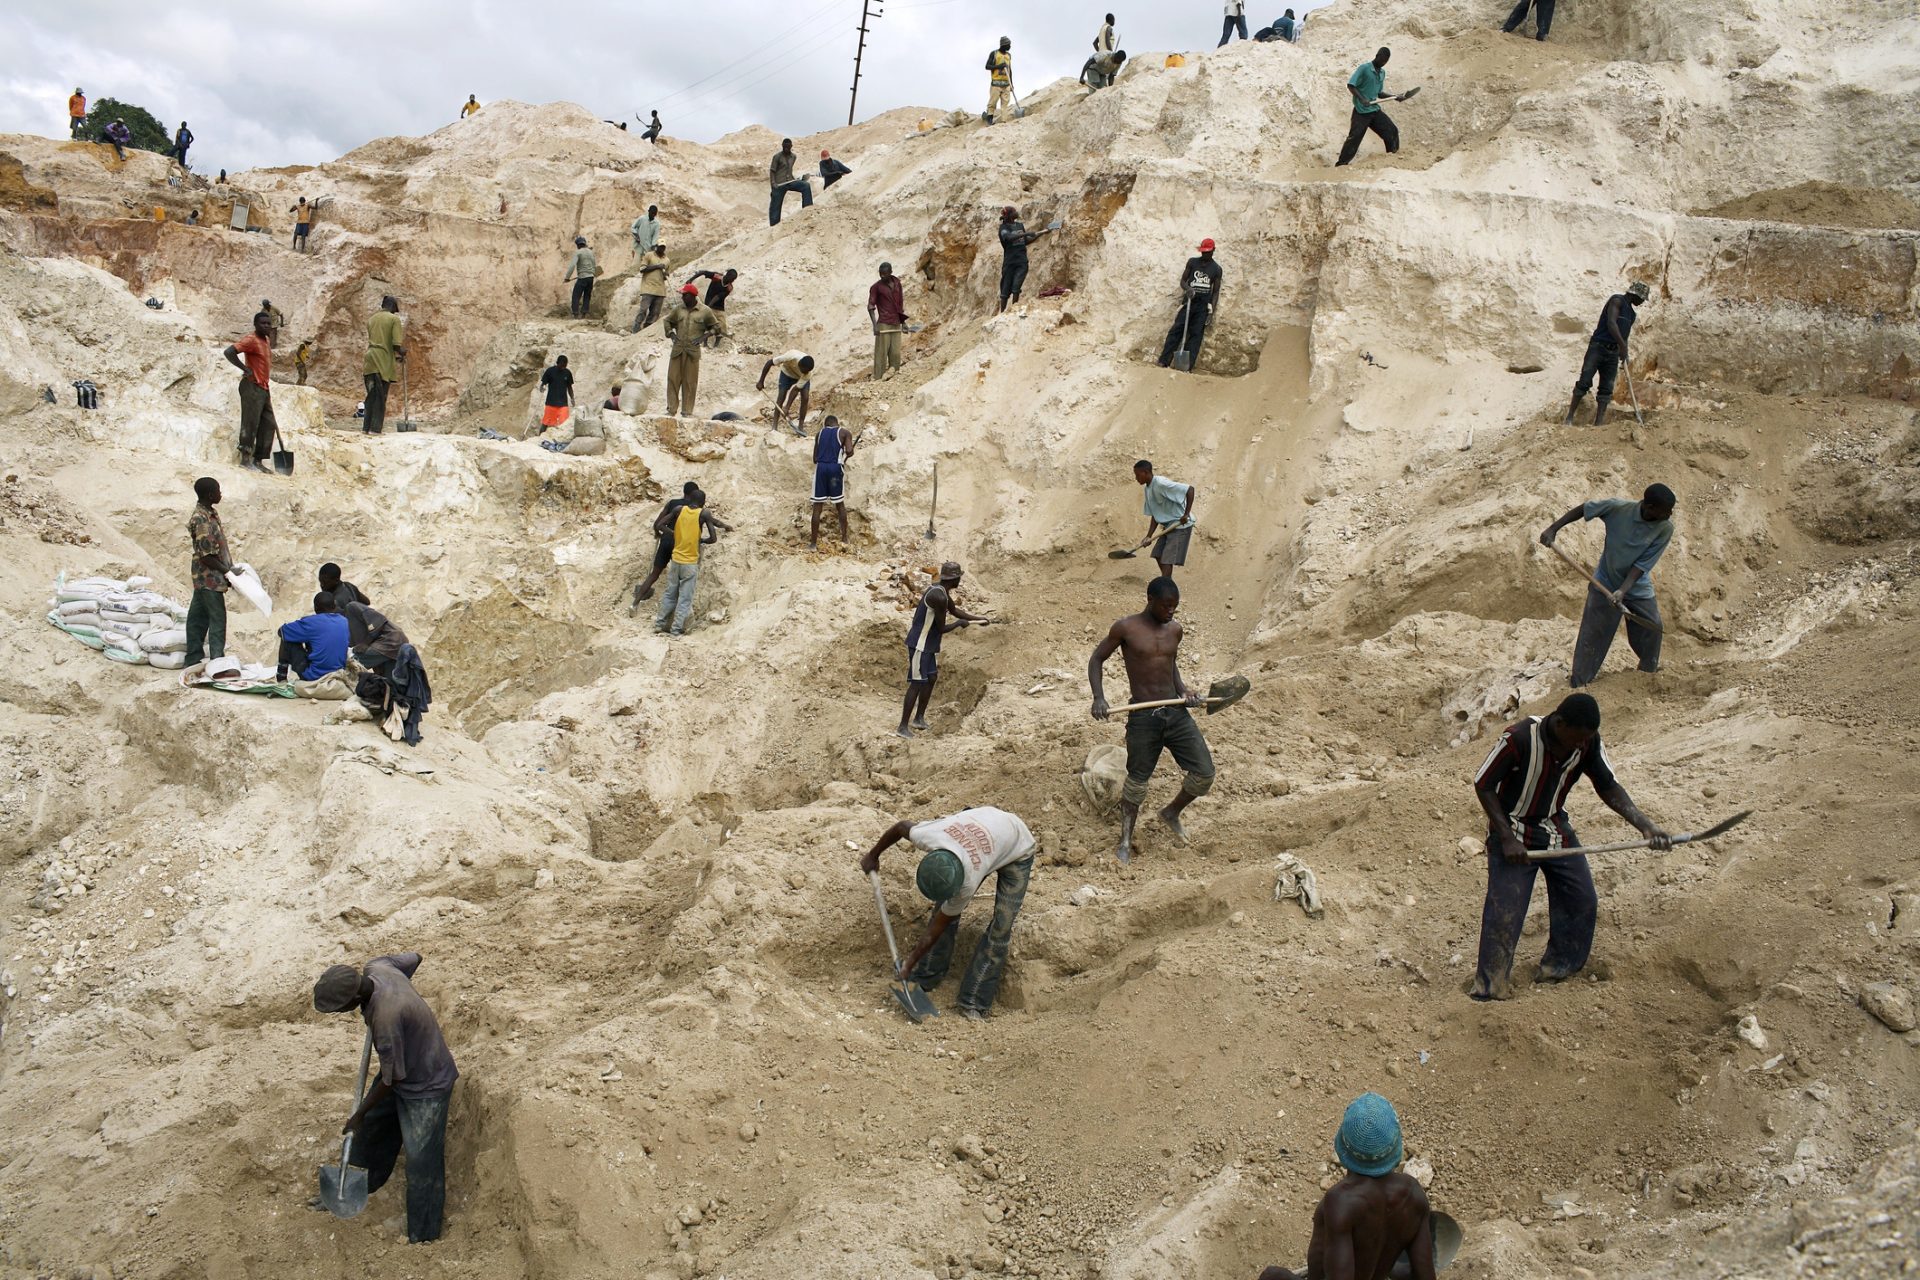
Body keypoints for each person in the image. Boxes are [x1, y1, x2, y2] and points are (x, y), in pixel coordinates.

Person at [1471, 693, 1670, 1000]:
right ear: (1560, 723)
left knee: (1581, 899)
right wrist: (1507, 838)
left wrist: (1644, 825)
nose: (1581, 745)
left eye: (1586, 739)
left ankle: (1559, 968)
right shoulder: (1519, 738)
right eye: (1577, 738)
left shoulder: (1586, 742)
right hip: (1512, 830)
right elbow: (1483, 783)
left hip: (1553, 827)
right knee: (1504, 913)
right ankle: (1489, 988)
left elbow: (1608, 785)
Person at [311, 953, 457, 1243]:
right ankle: (363, 1184)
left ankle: (424, 1234)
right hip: (404, 1065)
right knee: (374, 1128)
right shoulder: (378, 967)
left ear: (354, 997)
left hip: (427, 1084)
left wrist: (358, 1114)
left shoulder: (386, 1017)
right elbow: (413, 958)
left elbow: (394, 1080)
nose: (341, 1013)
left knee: (421, 1161)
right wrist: (402, 992)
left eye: (341, 1009)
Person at [858, 805, 1037, 1020]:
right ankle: (927, 975)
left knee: (1001, 927)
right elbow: (900, 827)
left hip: (1017, 843)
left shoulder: (968, 882)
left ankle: (974, 1001)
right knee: (944, 904)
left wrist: (909, 963)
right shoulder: (929, 835)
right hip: (983, 826)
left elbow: (938, 927)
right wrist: (873, 855)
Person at [1088, 576, 1215, 862]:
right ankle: (1125, 840)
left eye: (1175, 607)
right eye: (1166, 606)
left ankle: (1171, 812)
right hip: (1144, 716)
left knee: (1204, 773)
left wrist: (1184, 691)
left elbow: (1170, 664)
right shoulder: (1126, 628)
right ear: (1150, 600)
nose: (1171, 611)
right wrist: (1098, 697)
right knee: (1137, 783)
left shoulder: (1175, 630)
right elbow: (1097, 659)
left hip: (1176, 713)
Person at [1255, 1094, 1438, 1280]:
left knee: (1272, 1275)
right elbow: (1425, 1276)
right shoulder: (1413, 1194)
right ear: (1395, 1146)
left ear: (1343, 1146)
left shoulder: (1341, 1201)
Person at [1540, 483, 1675, 687]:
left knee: (1653, 627)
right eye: (1666, 510)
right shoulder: (1617, 508)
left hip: (1636, 586)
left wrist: (1623, 590)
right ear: (1649, 507)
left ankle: (1647, 675)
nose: (1670, 514)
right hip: (1605, 581)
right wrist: (1553, 529)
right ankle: (1579, 684)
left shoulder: (1665, 528)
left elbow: (1642, 565)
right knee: (1592, 636)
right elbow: (1585, 509)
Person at [899, 561, 989, 737]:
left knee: (931, 678)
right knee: (917, 683)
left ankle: (919, 718)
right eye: (959, 578)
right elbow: (941, 628)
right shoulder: (938, 596)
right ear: (954, 579)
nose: (960, 581)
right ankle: (902, 726)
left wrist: (979, 618)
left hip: (929, 645)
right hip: (920, 644)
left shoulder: (941, 590)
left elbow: (955, 611)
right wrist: (958, 625)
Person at [342, 602, 432, 743]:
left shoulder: (352, 607)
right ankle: (393, 713)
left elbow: (377, 623)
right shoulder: (348, 622)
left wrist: (365, 644)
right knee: (389, 680)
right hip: (388, 645)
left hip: (390, 641)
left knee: (356, 663)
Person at [1565, 281, 1649, 425]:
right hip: (1598, 347)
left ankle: (1598, 425)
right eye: (1642, 298)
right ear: (1636, 294)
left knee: (1606, 389)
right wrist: (1623, 346)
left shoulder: (1632, 314)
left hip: (1613, 353)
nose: (1642, 302)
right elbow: (1611, 323)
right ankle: (1569, 418)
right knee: (1584, 381)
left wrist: (1624, 352)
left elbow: (1624, 335)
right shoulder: (1617, 300)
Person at [655, 487, 724, 636]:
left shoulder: (679, 509)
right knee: (685, 598)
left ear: (689, 500)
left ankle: (659, 624)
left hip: (675, 560)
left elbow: (659, 525)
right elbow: (713, 538)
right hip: (690, 563)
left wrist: (675, 534)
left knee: (669, 593)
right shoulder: (703, 513)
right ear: (703, 502)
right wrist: (701, 540)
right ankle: (675, 630)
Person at [631, 481, 704, 605]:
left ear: (684, 491)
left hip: (665, 541)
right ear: (694, 495)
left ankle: (634, 603)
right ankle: (676, 609)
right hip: (681, 545)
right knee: (682, 578)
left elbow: (657, 523)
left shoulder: (672, 504)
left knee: (654, 574)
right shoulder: (696, 509)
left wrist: (657, 533)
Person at [223, 312, 278, 472]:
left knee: (268, 424)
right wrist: (244, 368)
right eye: (263, 323)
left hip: (263, 387)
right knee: (250, 422)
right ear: (256, 325)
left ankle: (258, 460)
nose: (266, 326)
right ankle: (245, 459)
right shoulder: (251, 340)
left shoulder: (266, 340)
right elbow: (229, 352)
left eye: (268, 323)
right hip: (251, 386)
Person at [1157, 238, 1224, 370]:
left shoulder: (1216, 269)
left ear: (1213, 251)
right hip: (1188, 303)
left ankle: (1185, 367)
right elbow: (1183, 281)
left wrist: (1211, 312)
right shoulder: (1192, 262)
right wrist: (1188, 289)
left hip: (1202, 307)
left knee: (1195, 336)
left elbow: (1215, 292)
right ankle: (1164, 360)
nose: (1204, 255)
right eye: (1203, 252)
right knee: (1176, 330)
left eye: (1207, 252)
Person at [185, 477, 231, 666]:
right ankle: (217, 662)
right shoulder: (201, 519)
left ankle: (193, 657)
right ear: (210, 494)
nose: (221, 494)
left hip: (207, 577)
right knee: (217, 619)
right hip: (208, 578)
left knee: (197, 618)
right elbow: (206, 556)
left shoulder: (210, 513)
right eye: (218, 490)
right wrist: (227, 572)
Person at [662, 285, 722, 416]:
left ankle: (687, 411)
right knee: (673, 379)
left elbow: (717, 327)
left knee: (690, 382)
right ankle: (671, 409)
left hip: (692, 351)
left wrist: (704, 337)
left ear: (692, 296)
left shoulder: (705, 311)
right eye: (682, 295)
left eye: (685, 295)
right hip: (677, 349)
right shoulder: (678, 309)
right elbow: (667, 321)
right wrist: (671, 334)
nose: (683, 297)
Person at [1336, 48, 1402, 166]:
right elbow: (1351, 85)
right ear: (1377, 55)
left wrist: (1395, 96)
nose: (1383, 63)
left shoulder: (1382, 73)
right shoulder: (1364, 69)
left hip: (1374, 110)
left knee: (1392, 131)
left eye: (1386, 61)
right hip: (1361, 112)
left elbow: (1379, 93)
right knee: (1354, 139)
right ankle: (1341, 164)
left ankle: (1392, 158)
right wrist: (1362, 99)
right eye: (1382, 60)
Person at [1132, 460, 1196, 578]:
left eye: (1137, 475)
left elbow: (1190, 489)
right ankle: (1167, 582)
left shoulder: (1160, 483)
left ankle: (1165, 583)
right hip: (1169, 526)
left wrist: (1186, 514)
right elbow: (1156, 515)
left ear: (1145, 472)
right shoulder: (1147, 489)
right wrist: (1149, 536)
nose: (1136, 478)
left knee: (1167, 559)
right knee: (1158, 554)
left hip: (1180, 525)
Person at [276, 592, 350, 683]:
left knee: (287, 636)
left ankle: (281, 679)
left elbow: (281, 631)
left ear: (315, 608)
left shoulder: (311, 622)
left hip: (314, 676)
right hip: (337, 674)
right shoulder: (344, 621)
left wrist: (302, 623)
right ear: (334, 606)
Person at [996, 207, 1052, 313]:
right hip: (1009, 263)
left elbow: (1026, 241)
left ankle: (1014, 309)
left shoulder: (1019, 225)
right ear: (1009, 215)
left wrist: (1042, 233)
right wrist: (1026, 234)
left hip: (1022, 261)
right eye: (1014, 212)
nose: (1016, 213)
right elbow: (1009, 238)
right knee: (1005, 291)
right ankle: (1002, 313)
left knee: (1016, 287)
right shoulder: (1003, 228)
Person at [810, 415, 854, 550]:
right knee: (839, 504)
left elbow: (815, 458)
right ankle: (844, 538)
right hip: (835, 469)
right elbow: (850, 451)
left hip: (821, 469)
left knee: (817, 506)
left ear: (825, 425)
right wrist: (845, 455)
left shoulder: (819, 433)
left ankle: (813, 544)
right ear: (837, 423)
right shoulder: (844, 432)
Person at [363, 296, 404, 435]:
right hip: (382, 361)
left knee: (371, 395)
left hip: (369, 359)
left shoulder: (372, 319)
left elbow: (378, 341)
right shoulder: (393, 320)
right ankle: (375, 429)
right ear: (392, 306)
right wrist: (402, 352)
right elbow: (396, 344)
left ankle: (365, 428)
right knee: (380, 396)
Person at [868, 261, 909, 380]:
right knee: (881, 354)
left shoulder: (897, 283)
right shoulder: (876, 287)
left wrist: (903, 322)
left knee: (895, 353)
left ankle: (894, 378)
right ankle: (878, 379)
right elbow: (870, 306)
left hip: (896, 322)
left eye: (885, 274)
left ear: (891, 272)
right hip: (884, 324)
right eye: (880, 274)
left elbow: (900, 304)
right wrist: (875, 325)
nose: (882, 276)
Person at [757, 351, 815, 432]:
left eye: (807, 371)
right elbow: (769, 363)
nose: (806, 372)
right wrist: (761, 381)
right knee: (781, 396)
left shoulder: (807, 373)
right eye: (805, 371)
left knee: (805, 397)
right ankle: (775, 425)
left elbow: (795, 390)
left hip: (799, 377)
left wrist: (787, 407)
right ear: (800, 365)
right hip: (786, 373)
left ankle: (801, 426)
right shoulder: (790, 356)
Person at [768, 138, 813, 226]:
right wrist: (773, 184)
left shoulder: (794, 157)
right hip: (779, 184)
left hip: (790, 181)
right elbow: (772, 171)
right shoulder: (777, 157)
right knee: (775, 207)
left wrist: (799, 179)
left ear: (791, 146)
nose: (786, 149)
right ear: (782, 146)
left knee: (806, 186)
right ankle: (774, 226)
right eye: (785, 147)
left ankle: (807, 211)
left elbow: (789, 170)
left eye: (788, 147)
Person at [685, 267, 737, 344]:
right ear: (727, 275)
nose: (731, 281)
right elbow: (703, 272)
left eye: (733, 279)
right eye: (731, 278)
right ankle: (705, 343)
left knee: (721, 325)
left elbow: (718, 297)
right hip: (709, 303)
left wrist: (708, 306)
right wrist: (691, 280)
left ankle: (717, 344)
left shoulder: (729, 288)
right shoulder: (717, 277)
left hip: (719, 307)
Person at [632, 242, 670, 331]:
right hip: (648, 288)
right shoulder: (649, 255)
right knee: (643, 310)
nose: (661, 249)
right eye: (660, 246)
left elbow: (665, 275)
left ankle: (646, 330)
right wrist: (657, 266)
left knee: (655, 313)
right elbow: (642, 269)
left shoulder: (667, 260)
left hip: (660, 290)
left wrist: (665, 274)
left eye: (663, 247)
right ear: (656, 247)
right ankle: (636, 329)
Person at [538, 355, 575, 433]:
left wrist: (572, 398)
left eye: (565, 365)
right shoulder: (550, 371)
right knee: (545, 423)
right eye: (562, 365)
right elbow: (543, 384)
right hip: (551, 403)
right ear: (558, 363)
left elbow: (569, 387)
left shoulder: (567, 373)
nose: (563, 367)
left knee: (564, 425)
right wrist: (542, 388)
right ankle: (539, 438)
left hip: (563, 404)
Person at [564, 236, 599, 318]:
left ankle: (575, 314)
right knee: (587, 295)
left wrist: (567, 277)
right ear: (585, 243)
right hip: (591, 277)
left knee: (576, 295)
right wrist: (592, 273)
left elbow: (572, 266)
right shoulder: (591, 252)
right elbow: (594, 265)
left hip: (582, 277)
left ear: (578, 245)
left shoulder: (578, 252)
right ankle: (584, 313)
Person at [984, 37, 1014, 123]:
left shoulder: (1009, 55)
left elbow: (1009, 69)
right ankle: (989, 119)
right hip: (996, 84)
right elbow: (987, 66)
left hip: (1006, 84)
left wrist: (1011, 83)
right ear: (1004, 45)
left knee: (1005, 103)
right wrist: (998, 66)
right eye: (1009, 45)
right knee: (993, 103)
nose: (1010, 46)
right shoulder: (994, 53)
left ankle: (1004, 121)